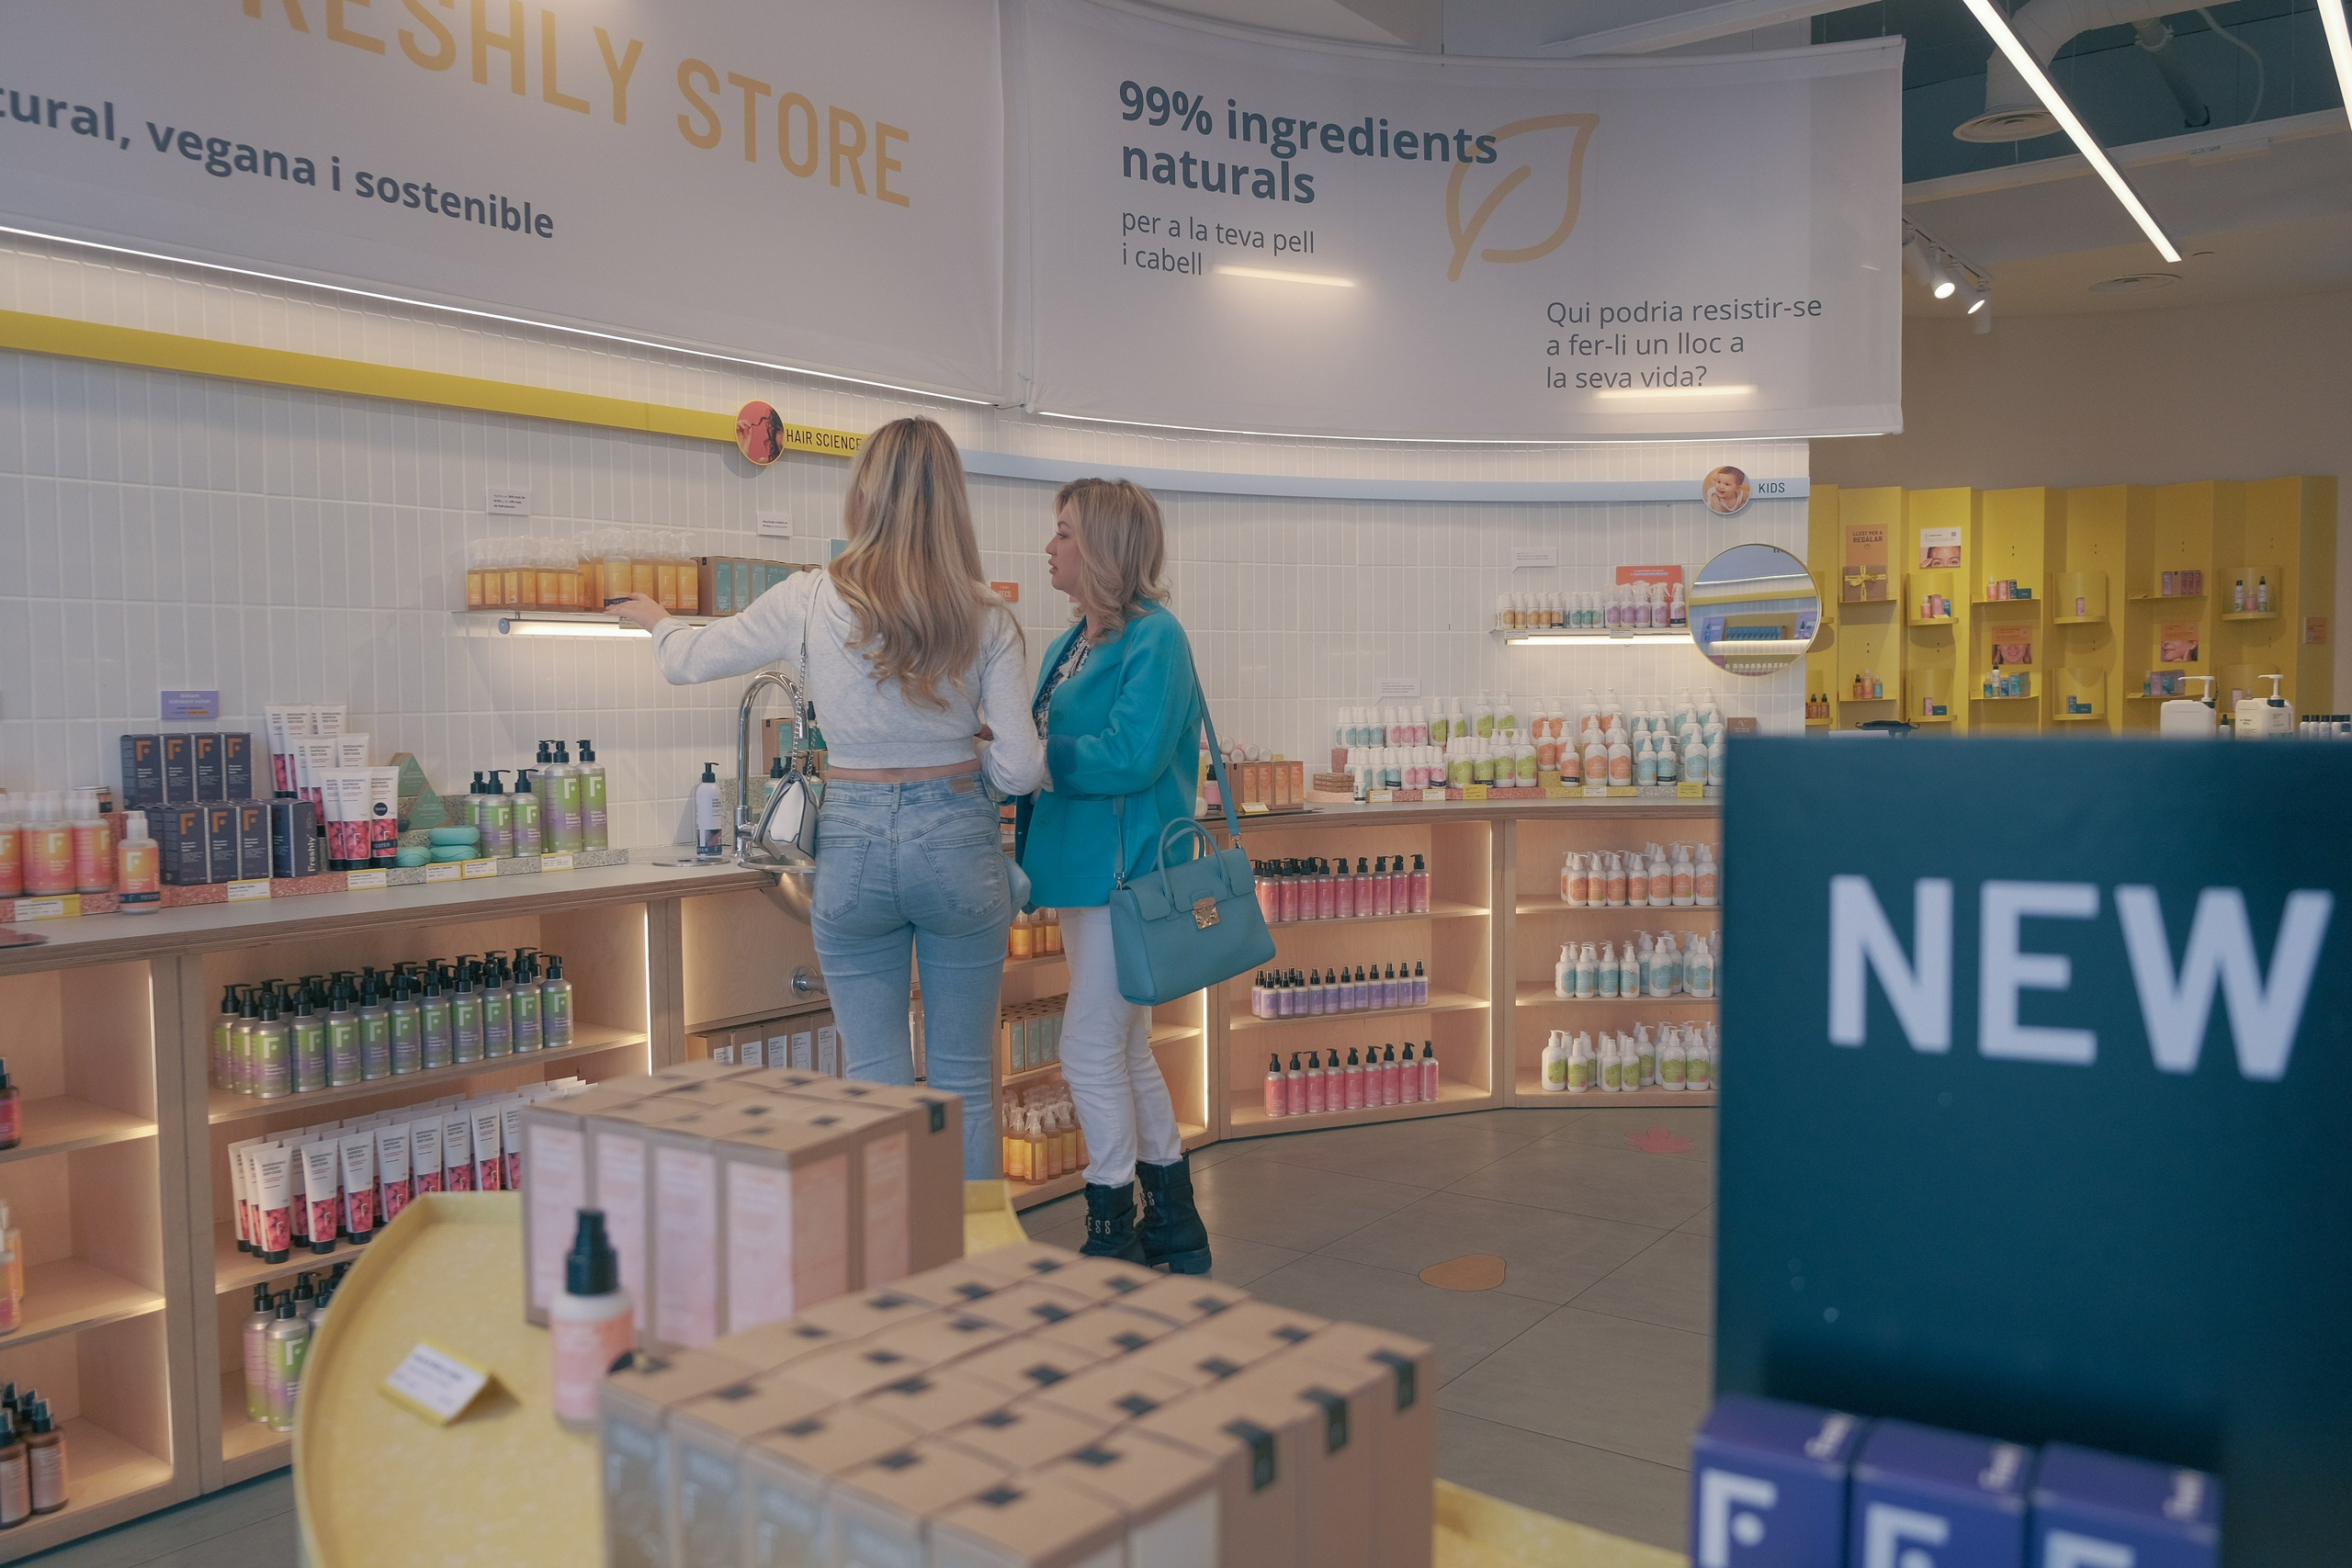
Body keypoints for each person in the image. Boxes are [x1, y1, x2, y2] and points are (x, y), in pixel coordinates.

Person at [614, 417, 1038, 1178]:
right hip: (958, 845)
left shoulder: (809, 598)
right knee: (966, 1081)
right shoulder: (989, 617)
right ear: (953, 501)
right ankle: (973, 1270)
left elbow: (690, 661)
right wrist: (963, 745)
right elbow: (1018, 771)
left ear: (863, 493)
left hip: (854, 844)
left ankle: (889, 1266)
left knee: (875, 1084)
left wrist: (658, 621)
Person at [1018, 478, 1212, 1272]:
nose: (1050, 547)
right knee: (1125, 1049)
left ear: (1101, 547)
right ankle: (1173, 1221)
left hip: (1123, 878)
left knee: (1089, 1048)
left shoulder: (1154, 637)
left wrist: (1038, 762)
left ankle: (1114, 1228)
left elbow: (1131, 754)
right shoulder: (1078, 643)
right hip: (1082, 873)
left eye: (1064, 533)